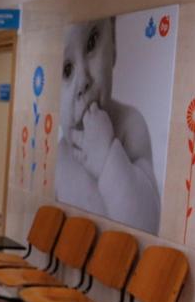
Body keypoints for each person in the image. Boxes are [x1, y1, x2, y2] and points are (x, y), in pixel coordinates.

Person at [55, 17, 161, 232]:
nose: (84, 80)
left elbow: (149, 222)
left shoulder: (130, 125)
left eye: (91, 43)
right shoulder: (61, 155)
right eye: (67, 70)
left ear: (113, 38)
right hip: (76, 261)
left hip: (120, 262)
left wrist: (108, 158)